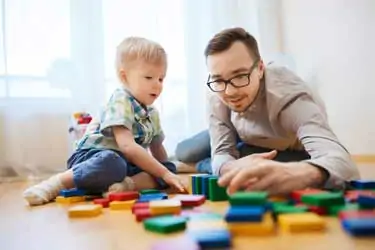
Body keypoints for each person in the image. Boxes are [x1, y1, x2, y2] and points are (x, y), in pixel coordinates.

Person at [177, 27, 360, 195]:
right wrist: (227, 167)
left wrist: (307, 174)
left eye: (240, 76)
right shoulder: (216, 90)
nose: (230, 92)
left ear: (260, 69)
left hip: (281, 146)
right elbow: (222, 150)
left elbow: (344, 164)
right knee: (185, 153)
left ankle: (204, 165)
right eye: (218, 79)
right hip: (239, 133)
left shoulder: (291, 98)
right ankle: (205, 163)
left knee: (257, 163)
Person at [23, 37, 187, 206]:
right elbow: (127, 147)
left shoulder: (152, 113)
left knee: (167, 166)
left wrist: (167, 173)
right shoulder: (121, 100)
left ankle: (125, 186)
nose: (157, 85)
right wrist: (164, 174)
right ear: (125, 77)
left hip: (126, 166)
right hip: (94, 157)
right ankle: (56, 183)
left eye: (161, 79)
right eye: (149, 77)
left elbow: (157, 149)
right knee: (114, 162)